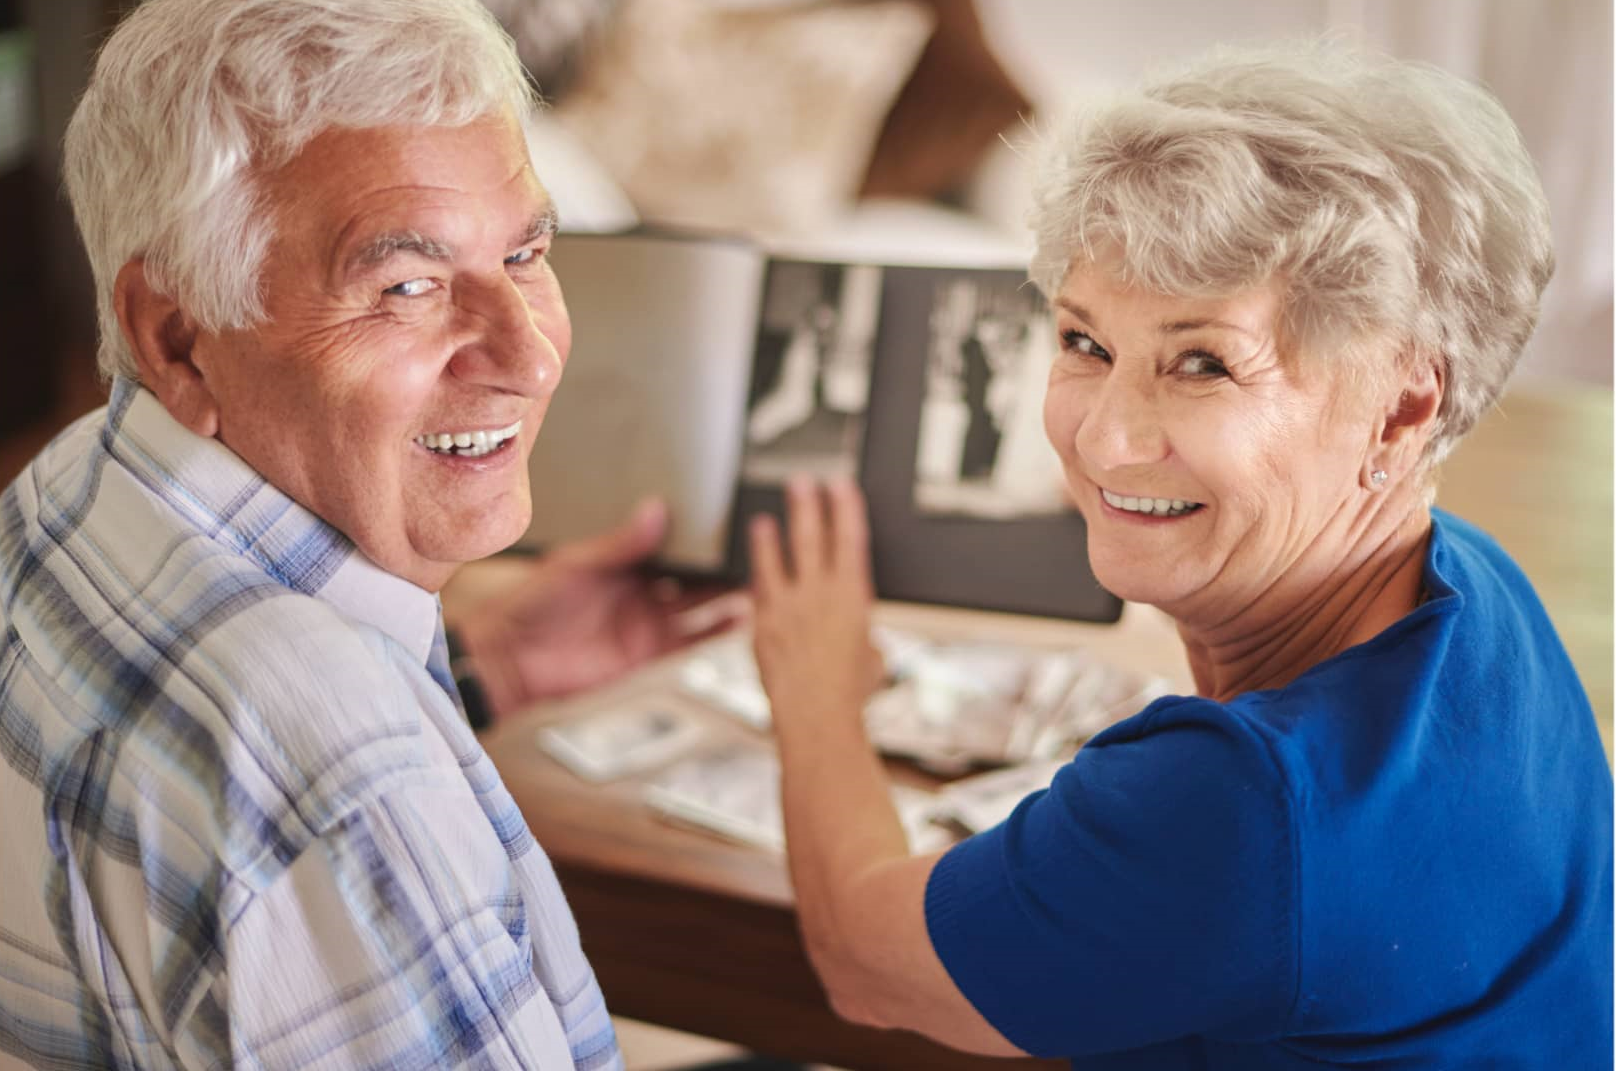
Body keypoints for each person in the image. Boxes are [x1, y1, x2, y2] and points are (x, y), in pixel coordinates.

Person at [747, 40, 1613, 1069]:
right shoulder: (1474, 581)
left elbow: (862, 958)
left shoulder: (1240, 805)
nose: (1105, 438)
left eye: (1201, 363)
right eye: (1083, 343)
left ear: (1400, 407)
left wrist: (812, 685)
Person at [0, 0, 726, 1067]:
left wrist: (487, 667)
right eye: (407, 285)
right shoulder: (341, 776)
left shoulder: (66, 484)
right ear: (177, 336)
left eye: (525, 255)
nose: (526, 358)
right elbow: (292, 778)